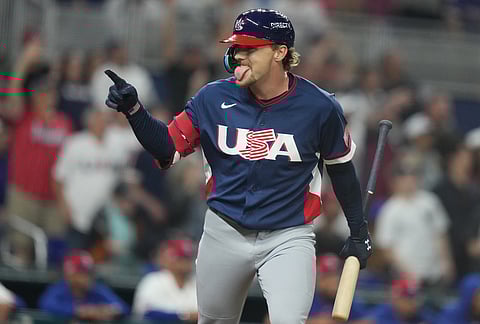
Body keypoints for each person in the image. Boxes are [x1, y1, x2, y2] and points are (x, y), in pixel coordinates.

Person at [104, 9, 371, 324]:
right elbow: (168, 148)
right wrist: (135, 111)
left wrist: (358, 230)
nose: (238, 56)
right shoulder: (213, 98)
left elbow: (341, 170)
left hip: (287, 235)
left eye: (249, 48)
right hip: (224, 229)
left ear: (280, 52)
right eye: (236, 48)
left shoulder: (321, 107)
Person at [39, 250, 129, 321]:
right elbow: (46, 304)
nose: (87, 277)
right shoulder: (59, 289)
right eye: (82, 273)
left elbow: (123, 308)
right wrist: (78, 311)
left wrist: (106, 311)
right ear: (69, 275)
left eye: (89, 273)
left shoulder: (96, 289)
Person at [133, 237, 198, 322]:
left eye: (188, 258)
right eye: (181, 258)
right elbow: (148, 313)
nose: (185, 263)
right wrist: (185, 316)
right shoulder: (153, 281)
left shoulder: (197, 283)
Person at [307, 254, 369, 324]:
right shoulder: (310, 298)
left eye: (334, 276)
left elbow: (366, 321)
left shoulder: (346, 299)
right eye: (327, 277)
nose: (332, 281)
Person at [366, 278, 435, 324]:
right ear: (397, 299)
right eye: (406, 299)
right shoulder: (386, 309)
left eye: (413, 299)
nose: (411, 303)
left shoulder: (420, 313)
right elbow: (367, 321)